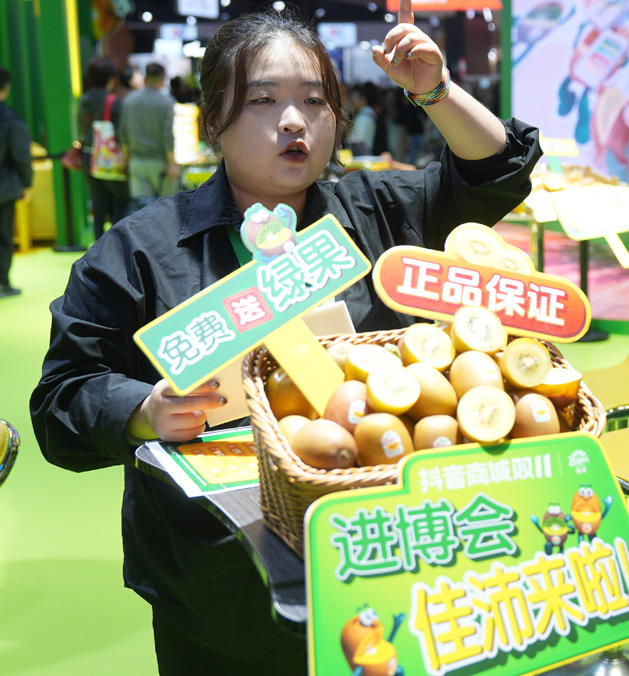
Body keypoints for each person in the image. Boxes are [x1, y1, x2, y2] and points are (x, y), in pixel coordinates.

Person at [30, 5, 540, 673]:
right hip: (223, 585)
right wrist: (144, 409)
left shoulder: (382, 212)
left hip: (388, 558)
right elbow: (62, 398)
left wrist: (435, 90)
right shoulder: (138, 251)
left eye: (314, 100)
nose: (295, 121)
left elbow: (498, 169)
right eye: (263, 100)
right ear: (214, 120)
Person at [79, 57, 130, 241]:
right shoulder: (113, 101)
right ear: (110, 78)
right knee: (122, 199)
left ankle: (98, 246)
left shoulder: (84, 100)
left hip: (87, 155)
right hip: (108, 157)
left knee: (98, 204)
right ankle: (115, 243)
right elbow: (122, 134)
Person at [120, 62, 179, 211]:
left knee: (142, 210)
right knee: (165, 209)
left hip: (137, 162)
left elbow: (123, 133)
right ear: (162, 78)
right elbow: (167, 135)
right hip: (160, 162)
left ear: (146, 77)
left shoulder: (129, 100)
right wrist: (172, 164)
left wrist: (126, 160)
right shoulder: (166, 102)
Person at [0, 66, 33, 298]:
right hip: (4, 187)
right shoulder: (10, 118)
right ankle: (2, 282)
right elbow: (21, 154)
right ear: (6, 88)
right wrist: (26, 183)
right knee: (3, 237)